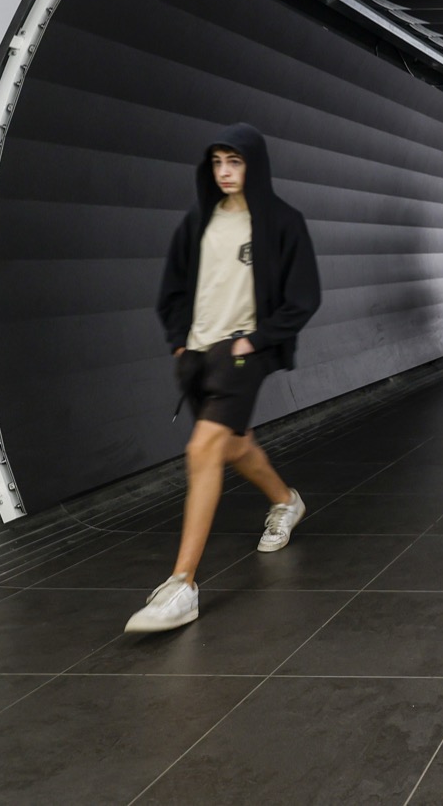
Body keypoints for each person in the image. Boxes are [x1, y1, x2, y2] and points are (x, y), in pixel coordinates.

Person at [128, 123, 321, 634]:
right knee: (234, 446)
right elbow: (171, 288)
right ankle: (286, 502)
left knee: (202, 450)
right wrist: (179, 341)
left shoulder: (282, 222)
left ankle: (182, 586)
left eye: (234, 161)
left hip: (243, 353)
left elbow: (304, 297)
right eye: (217, 162)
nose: (225, 171)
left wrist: (253, 342)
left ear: (252, 165)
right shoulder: (200, 221)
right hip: (196, 354)